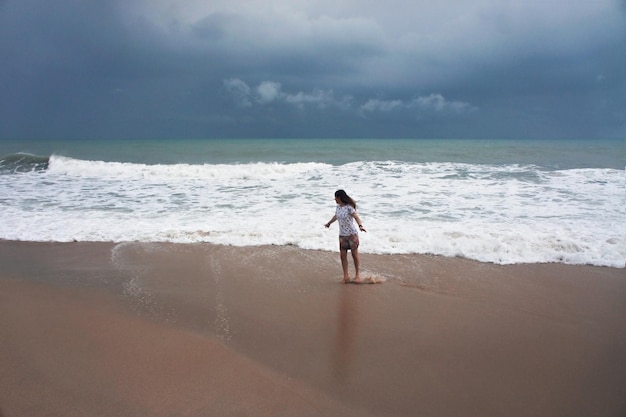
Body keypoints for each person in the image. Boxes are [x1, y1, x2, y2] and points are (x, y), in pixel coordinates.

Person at [325, 190, 366, 283]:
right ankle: (346, 276)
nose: (334, 199)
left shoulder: (349, 207)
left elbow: (356, 217)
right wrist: (329, 223)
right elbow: (336, 216)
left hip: (352, 235)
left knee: (354, 255)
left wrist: (360, 226)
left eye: (335, 197)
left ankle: (357, 275)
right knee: (343, 256)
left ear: (340, 197)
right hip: (342, 235)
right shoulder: (338, 207)